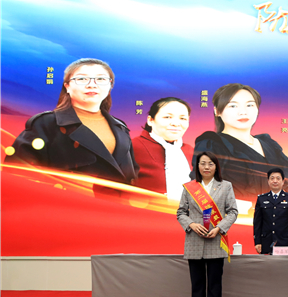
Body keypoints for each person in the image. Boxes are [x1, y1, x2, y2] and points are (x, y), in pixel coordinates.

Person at [6, 58, 138, 184]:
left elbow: (132, 173)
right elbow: (19, 172)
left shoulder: (120, 127)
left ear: (110, 86)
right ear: (67, 86)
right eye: (82, 79)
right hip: (69, 198)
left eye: (101, 79)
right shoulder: (46, 123)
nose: (92, 85)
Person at [194, 84, 288, 210]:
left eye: (250, 105)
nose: (243, 112)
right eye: (233, 106)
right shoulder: (212, 144)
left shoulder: (269, 144)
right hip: (237, 218)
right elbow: (202, 191)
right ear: (217, 111)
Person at [176, 151, 238, 297]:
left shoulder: (225, 186)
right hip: (194, 242)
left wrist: (219, 228)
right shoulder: (189, 187)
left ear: (216, 166)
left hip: (216, 241)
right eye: (203, 163)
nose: (206, 167)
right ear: (197, 166)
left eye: (210, 163)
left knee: (214, 287)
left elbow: (233, 211)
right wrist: (191, 225)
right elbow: (181, 212)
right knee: (197, 287)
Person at [132, 97, 193, 199]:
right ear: (150, 120)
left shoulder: (190, 151)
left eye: (183, 118)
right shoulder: (132, 147)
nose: (176, 123)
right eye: (167, 117)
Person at [254, 168, 288, 254]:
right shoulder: (261, 199)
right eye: (272, 178)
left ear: (283, 181)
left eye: (278, 178)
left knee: (283, 263)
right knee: (266, 263)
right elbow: (257, 223)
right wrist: (257, 241)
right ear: (268, 181)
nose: (275, 181)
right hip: (266, 242)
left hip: (284, 241)